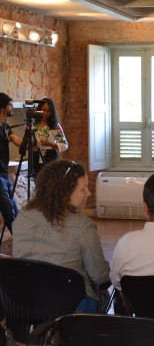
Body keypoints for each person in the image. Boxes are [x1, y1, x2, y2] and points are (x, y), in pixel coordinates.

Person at [12, 159, 109, 313]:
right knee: (104, 296)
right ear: (65, 192)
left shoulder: (23, 216)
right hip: (69, 309)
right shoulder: (83, 227)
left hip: (25, 303)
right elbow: (100, 277)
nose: (89, 193)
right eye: (83, 189)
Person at [0, 93, 23, 233]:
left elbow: (17, 140)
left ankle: (21, 238)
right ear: (2, 108)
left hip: (3, 173)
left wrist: (30, 140)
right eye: (9, 104)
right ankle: (21, 240)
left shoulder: (5, 126)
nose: (12, 107)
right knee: (8, 207)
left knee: (13, 206)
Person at [32, 97, 68, 176]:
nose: (46, 113)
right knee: (37, 182)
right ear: (39, 109)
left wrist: (49, 144)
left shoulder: (55, 126)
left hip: (51, 158)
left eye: (49, 111)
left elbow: (65, 145)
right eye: (44, 110)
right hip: (35, 157)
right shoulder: (33, 125)